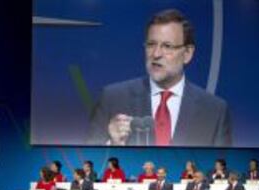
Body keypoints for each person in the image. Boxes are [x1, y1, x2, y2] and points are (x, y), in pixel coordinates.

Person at [88, 9, 231, 147]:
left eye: (167, 46)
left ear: (187, 53)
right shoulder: (112, 98)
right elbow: (88, 162)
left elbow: (221, 166)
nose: (156, 54)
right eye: (151, 44)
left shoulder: (214, 111)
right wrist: (113, 145)